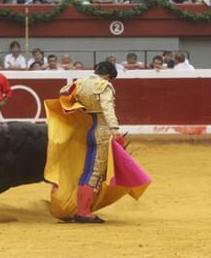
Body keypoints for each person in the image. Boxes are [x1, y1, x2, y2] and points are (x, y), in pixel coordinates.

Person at [43, 61, 151, 223]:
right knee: (95, 173)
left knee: (87, 171)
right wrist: (114, 129)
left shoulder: (81, 83)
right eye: (111, 79)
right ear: (108, 75)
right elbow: (107, 108)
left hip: (88, 131)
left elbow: (63, 91)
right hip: (101, 132)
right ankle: (84, 212)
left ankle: (82, 210)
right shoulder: (104, 86)